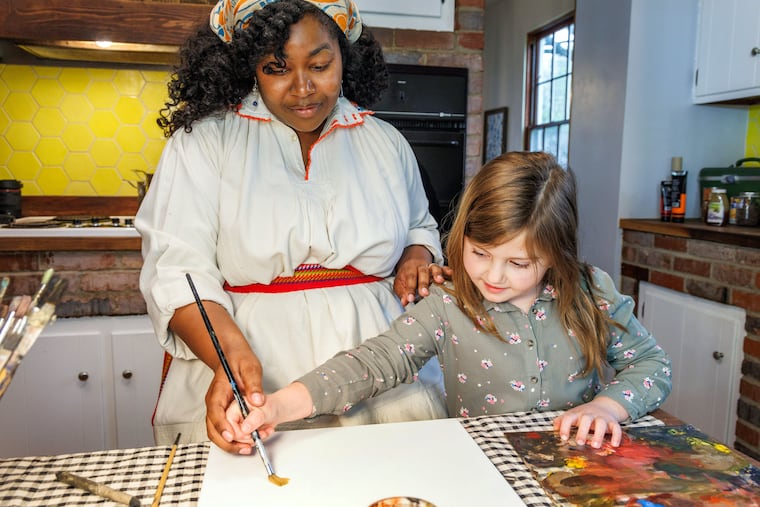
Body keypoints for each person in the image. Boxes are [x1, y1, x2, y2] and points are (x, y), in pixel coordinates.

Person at [136, 0, 449, 450]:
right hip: (251, 366)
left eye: (320, 65)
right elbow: (176, 270)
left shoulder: (385, 141)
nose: (303, 88)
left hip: (379, 374)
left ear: (344, 56)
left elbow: (419, 224)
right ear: (248, 66)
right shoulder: (205, 142)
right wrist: (228, 360)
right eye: (276, 68)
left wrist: (416, 255)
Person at [229, 151, 673, 451]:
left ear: (556, 254)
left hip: (583, 466)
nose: (493, 276)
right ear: (461, 235)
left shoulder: (591, 290)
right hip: (482, 471)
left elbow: (652, 364)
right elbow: (373, 363)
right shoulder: (446, 303)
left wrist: (606, 406)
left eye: (519, 264)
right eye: (480, 253)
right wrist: (278, 405)